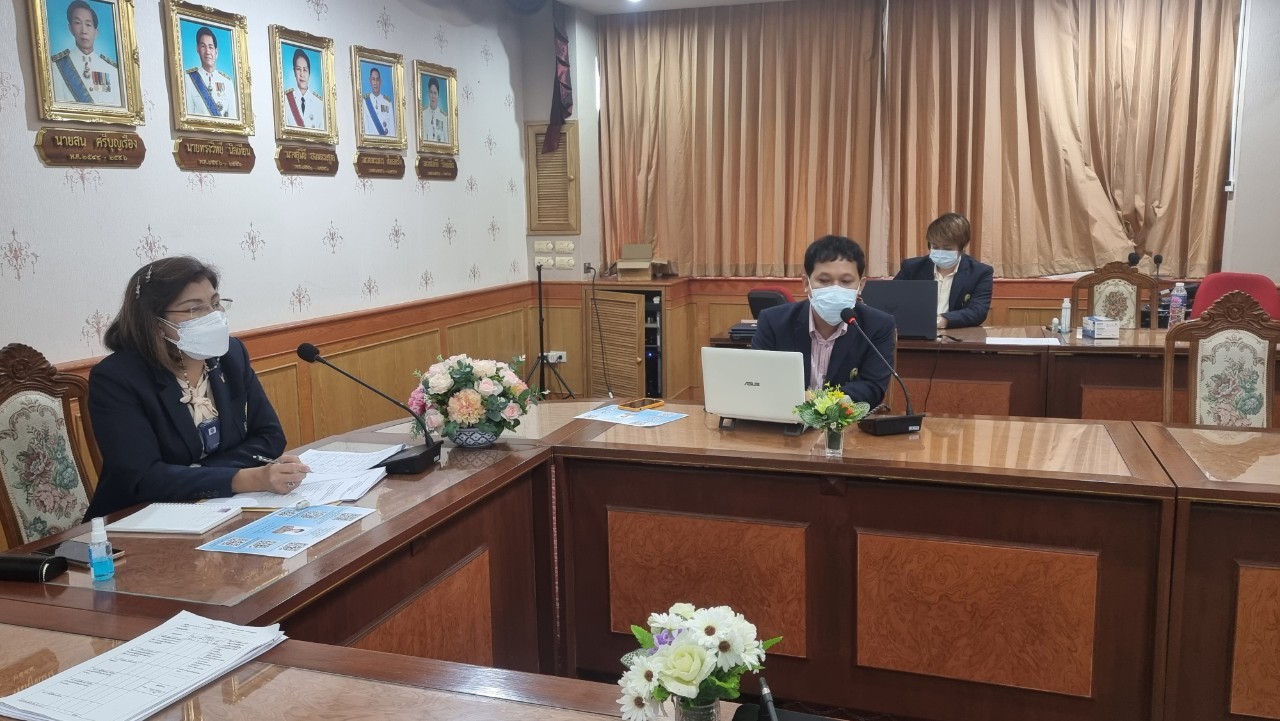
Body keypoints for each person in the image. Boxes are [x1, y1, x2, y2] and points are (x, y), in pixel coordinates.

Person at [84, 257, 307, 520]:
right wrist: (245, 478)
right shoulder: (117, 378)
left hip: (221, 507)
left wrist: (200, 472)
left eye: (215, 303)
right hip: (138, 518)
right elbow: (143, 477)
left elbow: (270, 437)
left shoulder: (231, 355)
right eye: (193, 309)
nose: (212, 316)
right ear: (156, 322)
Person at [752, 235, 896, 407]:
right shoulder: (773, 321)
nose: (835, 289)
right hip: (784, 416)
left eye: (846, 281)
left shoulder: (878, 325)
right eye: (824, 281)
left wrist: (817, 400)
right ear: (806, 283)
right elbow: (759, 378)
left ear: (861, 285)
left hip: (845, 419)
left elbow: (872, 387)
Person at [894, 212, 993, 329]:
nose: (940, 252)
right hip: (915, 332)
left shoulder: (980, 272)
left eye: (947, 248)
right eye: (935, 247)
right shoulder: (911, 268)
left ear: (963, 246)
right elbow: (892, 300)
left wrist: (944, 320)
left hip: (956, 335)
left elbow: (977, 311)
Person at [49, 0, 121, 106]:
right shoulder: (56, 66)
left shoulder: (111, 70)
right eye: (77, 23)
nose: (84, 31)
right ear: (70, 28)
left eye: (88, 24)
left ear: (96, 32)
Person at [184, 26, 237, 118]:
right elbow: (188, 117)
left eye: (211, 47)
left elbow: (233, 118)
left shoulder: (227, 82)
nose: (207, 51)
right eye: (203, 46)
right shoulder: (188, 79)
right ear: (197, 49)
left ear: (216, 52)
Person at [282, 47, 323, 129]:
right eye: (298, 69)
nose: (302, 74)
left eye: (305, 70)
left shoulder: (319, 104)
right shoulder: (285, 101)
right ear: (294, 72)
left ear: (309, 73)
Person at [361, 66, 395, 137]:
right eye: (373, 79)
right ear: (370, 81)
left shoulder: (387, 102)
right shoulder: (365, 101)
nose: (375, 83)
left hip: (385, 141)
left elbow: (392, 129)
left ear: (380, 81)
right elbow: (365, 128)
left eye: (377, 79)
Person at [421, 76, 449, 143]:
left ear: (438, 95)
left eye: (435, 93)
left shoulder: (444, 117)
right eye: (431, 92)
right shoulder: (423, 114)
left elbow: (447, 140)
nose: (433, 96)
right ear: (428, 93)